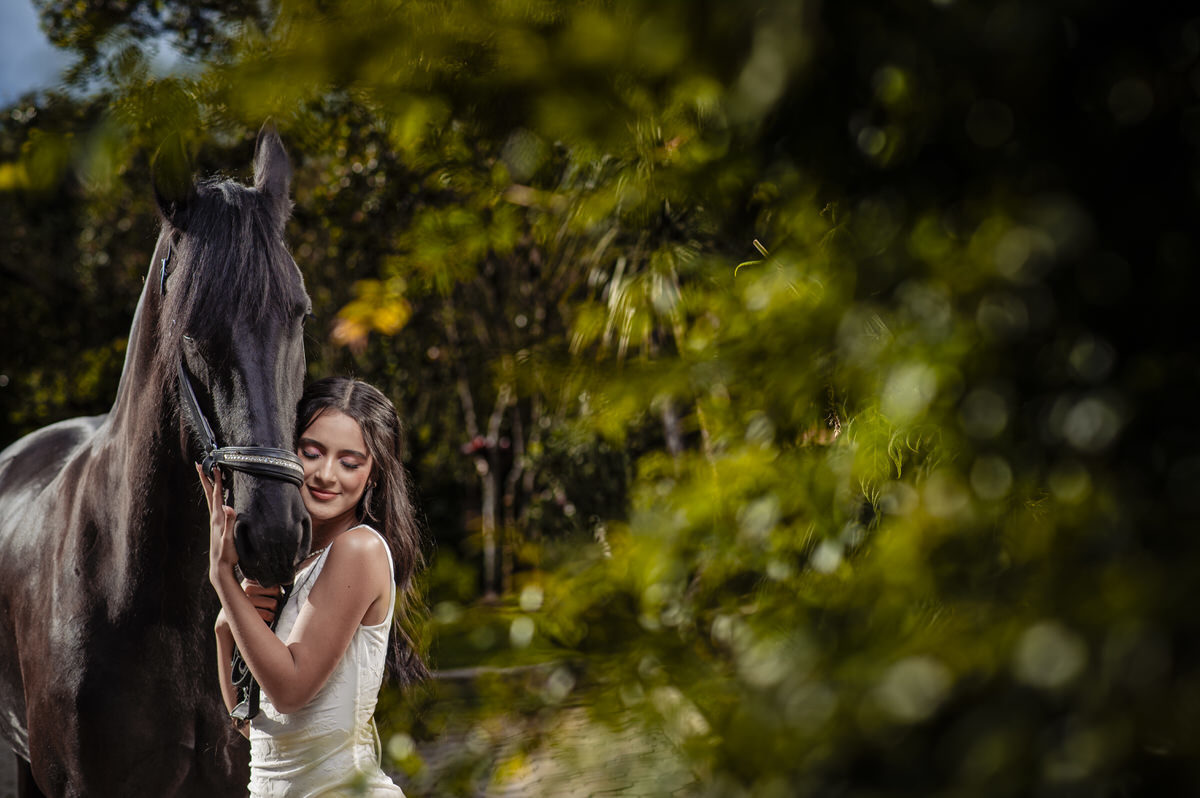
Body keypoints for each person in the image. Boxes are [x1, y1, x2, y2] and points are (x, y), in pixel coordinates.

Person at [201, 377, 428, 797]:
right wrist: (224, 628)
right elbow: (255, 724)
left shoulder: (357, 548)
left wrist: (223, 581)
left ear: (373, 474)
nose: (326, 474)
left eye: (350, 462)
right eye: (312, 452)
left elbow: (290, 691)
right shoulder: (298, 563)